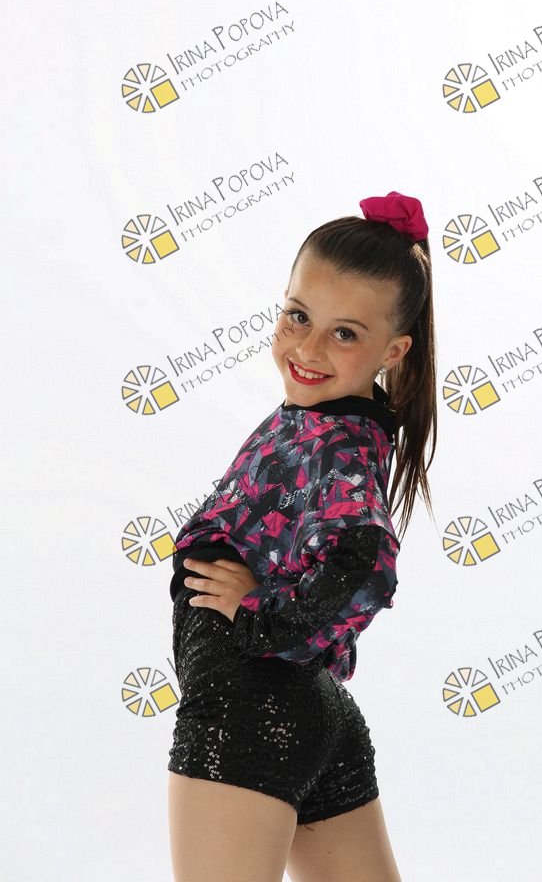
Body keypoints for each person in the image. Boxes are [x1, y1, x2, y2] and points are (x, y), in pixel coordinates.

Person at [167, 190, 438, 882]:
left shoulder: (336, 444)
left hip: (246, 711)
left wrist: (259, 613)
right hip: (312, 710)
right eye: (298, 316)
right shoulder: (323, 422)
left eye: (345, 334)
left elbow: (365, 561)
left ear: (392, 351)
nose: (308, 348)